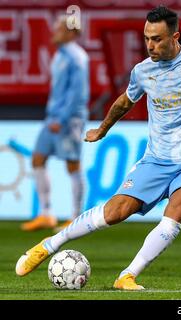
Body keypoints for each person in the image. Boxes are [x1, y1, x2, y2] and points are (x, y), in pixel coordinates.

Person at [16, 6, 181, 290]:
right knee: (114, 213)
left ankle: (127, 275)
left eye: (157, 39)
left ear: (175, 37)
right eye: (147, 38)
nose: (150, 45)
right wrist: (103, 128)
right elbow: (125, 101)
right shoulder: (143, 71)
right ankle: (49, 244)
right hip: (156, 161)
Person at [21, 16, 89, 233]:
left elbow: (78, 93)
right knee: (38, 158)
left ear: (70, 32)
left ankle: (76, 217)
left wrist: (63, 119)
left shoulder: (76, 56)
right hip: (53, 118)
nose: (54, 32)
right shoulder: (61, 54)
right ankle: (46, 214)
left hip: (68, 120)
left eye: (58, 29)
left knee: (72, 164)